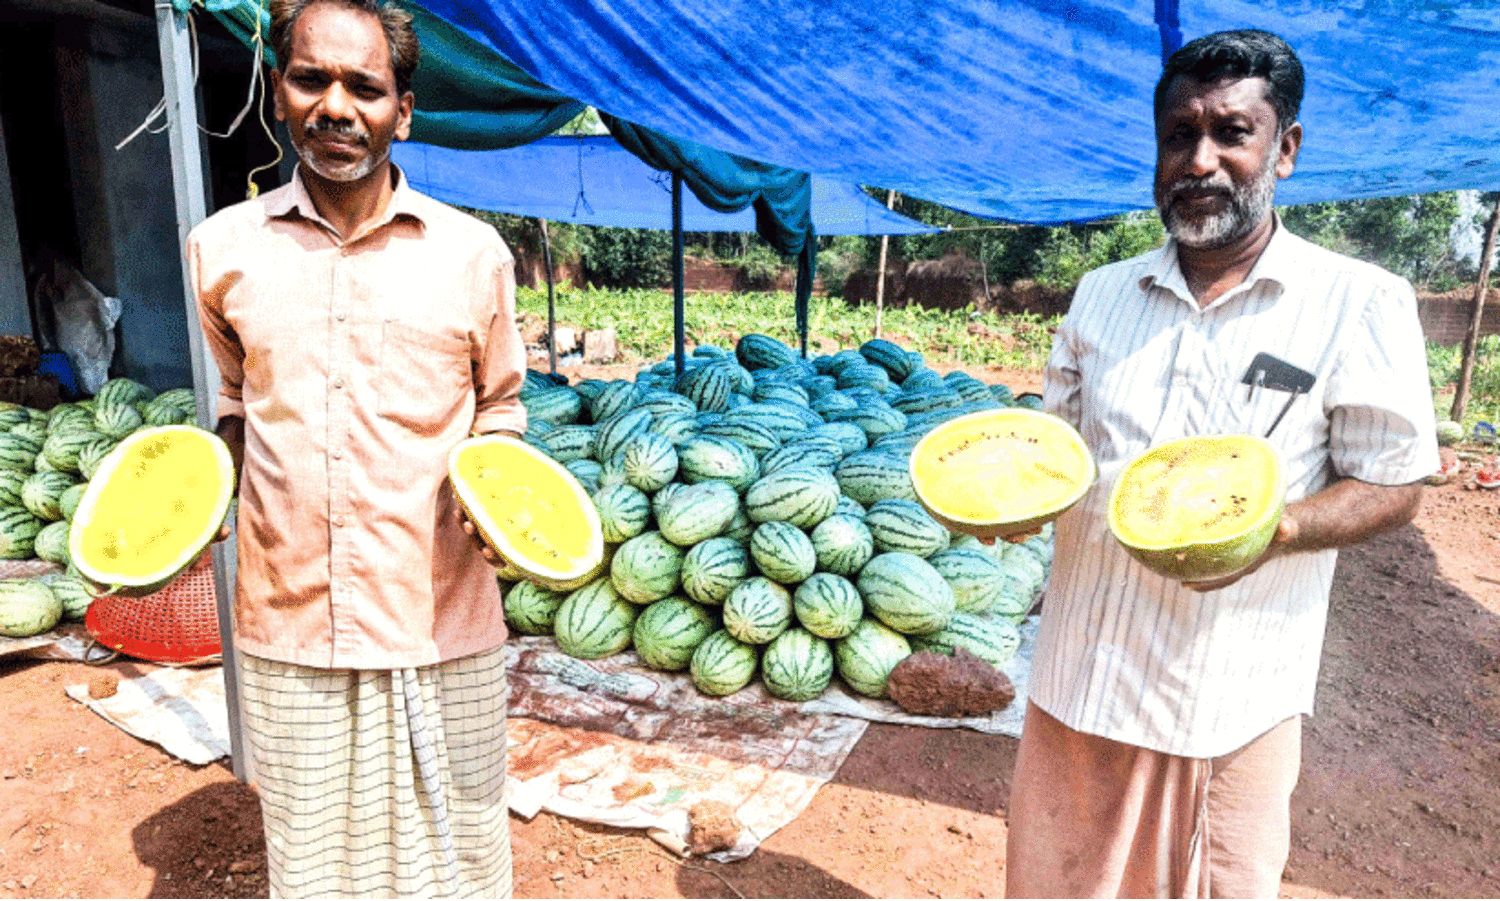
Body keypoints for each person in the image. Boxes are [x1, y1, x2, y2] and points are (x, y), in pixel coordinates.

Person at [1004, 29, 1438, 898]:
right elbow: (1058, 456)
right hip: (1077, 679)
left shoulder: (1358, 302)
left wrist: (1277, 527)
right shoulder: (1101, 294)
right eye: (1177, 135)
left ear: (1285, 149)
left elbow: (1396, 481)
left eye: (1231, 133)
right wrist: (1005, 499)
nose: (1198, 161)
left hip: (1225, 698)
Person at [186, 0, 527, 895]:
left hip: (438, 615)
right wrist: (196, 495)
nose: (336, 106)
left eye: (364, 87)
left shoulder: (473, 255)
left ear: (401, 111)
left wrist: (506, 509)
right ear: (279, 90)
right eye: (312, 79)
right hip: (290, 618)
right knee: (312, 861)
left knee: (456, 860)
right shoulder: (220, 249)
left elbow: (501, 410)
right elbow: (236, 402)